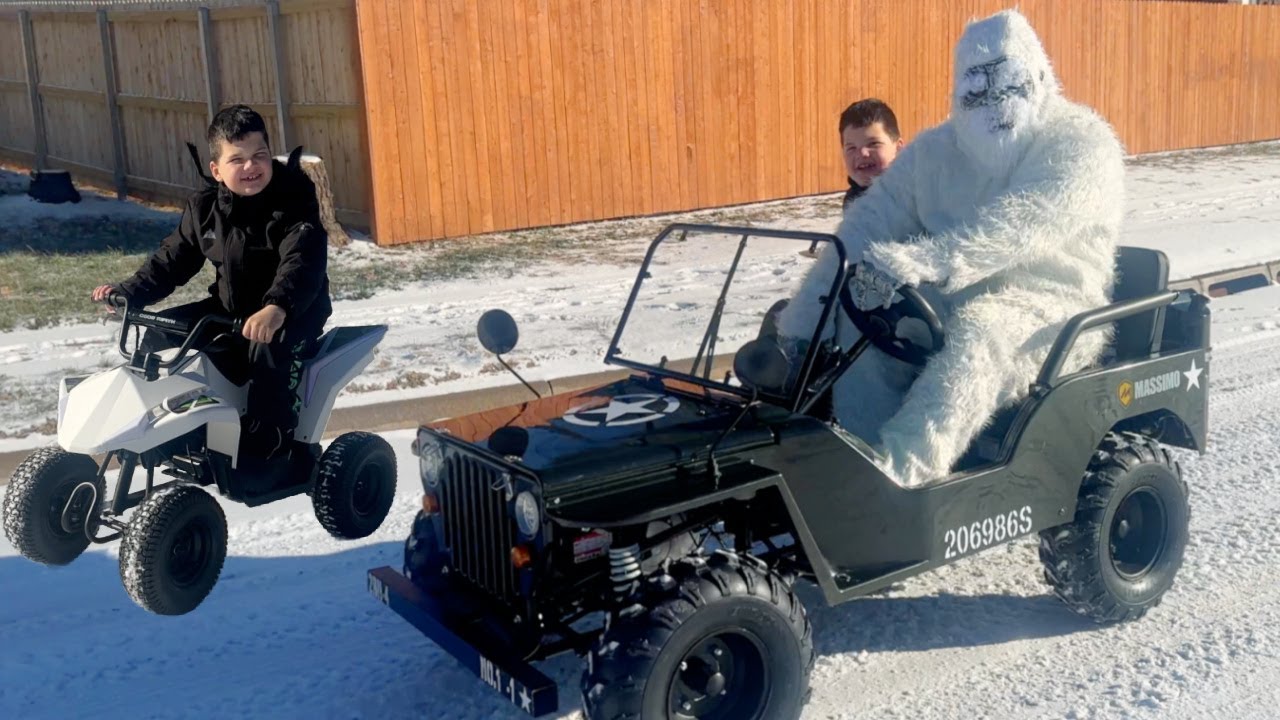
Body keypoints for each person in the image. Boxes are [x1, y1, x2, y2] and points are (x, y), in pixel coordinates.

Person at [776, 9, 1125, 486]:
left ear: (1040, 76)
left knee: (983, 334)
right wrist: (802, 319)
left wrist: (936, 258)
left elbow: (1026, 222)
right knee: (864, 321)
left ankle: (902, 474)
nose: (994, 100)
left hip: (1052, 302)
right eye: (977, 87)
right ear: (958, 90)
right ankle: (857, 461)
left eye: (1008, 82)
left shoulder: (1082, 142)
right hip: (947, 294)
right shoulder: (935, 151)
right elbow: (870, 221)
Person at [92, 104, 332, 461]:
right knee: (161, 334)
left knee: (265, 353)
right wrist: (128, 293)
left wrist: (276, 307)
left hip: (292, 311)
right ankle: (164, 427)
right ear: (217, 170)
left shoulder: (294, 200)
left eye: (259, 155)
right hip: (230, 308)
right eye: (237, 160)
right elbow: (172, 261)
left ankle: (271, 441)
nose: (250, 167)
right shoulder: (205, 209)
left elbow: (301, 262)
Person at [839, 98, 905, 210]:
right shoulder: (853, 201)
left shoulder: (913, 198)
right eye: (851, 148)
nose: (862, 153)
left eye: (873, 144)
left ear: (898, 148)